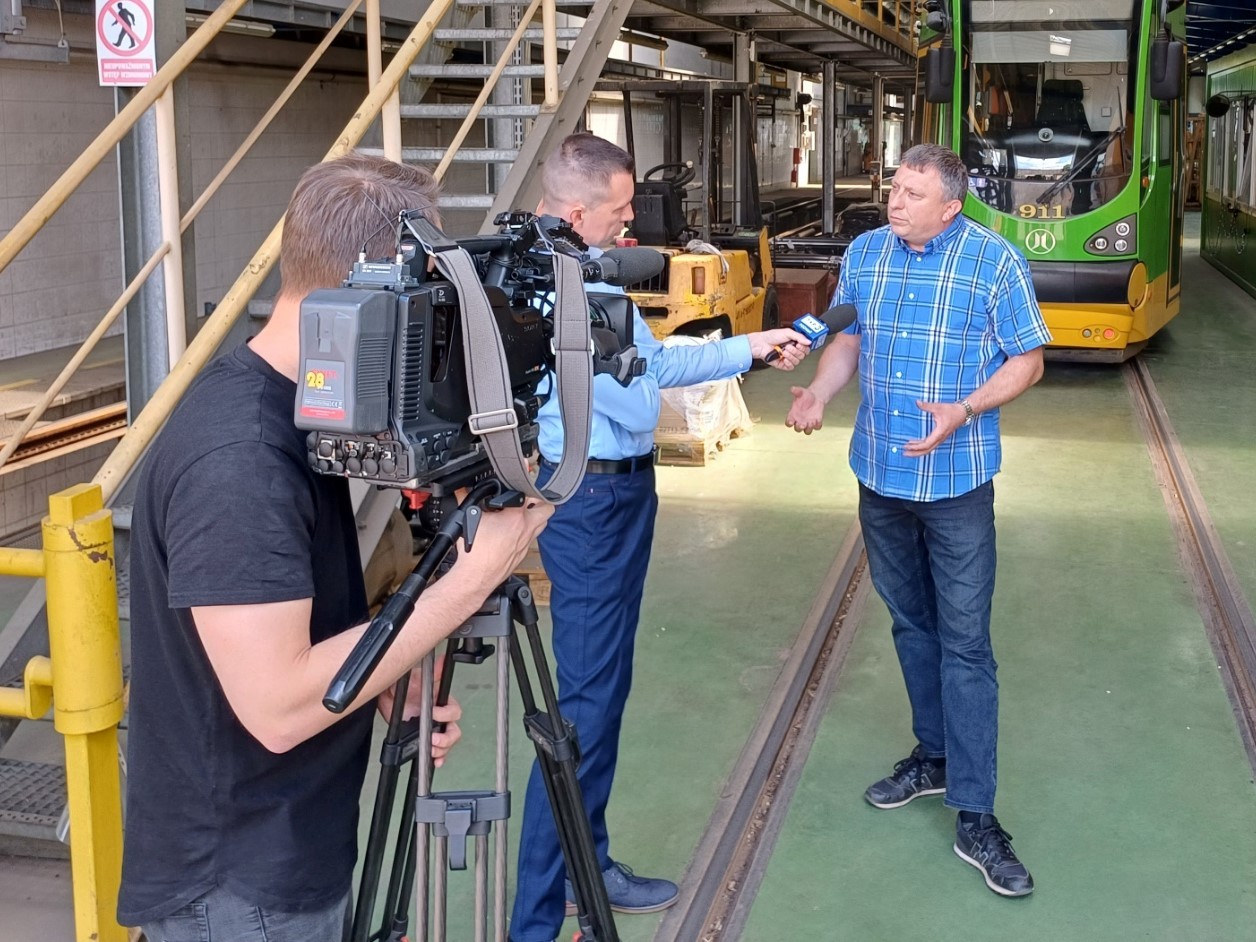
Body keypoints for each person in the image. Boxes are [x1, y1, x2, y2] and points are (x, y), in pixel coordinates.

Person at [118, 154, 554, 941]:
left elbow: (292, 638)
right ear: (376, 292)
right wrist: (468, 580)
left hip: (279, 853)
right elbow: (279, 707)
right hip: (240, 888)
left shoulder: (288, 407)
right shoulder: (241, 461)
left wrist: (379, 674)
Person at [509, 133, 811, 942]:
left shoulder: (584, 274)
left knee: (603, 697)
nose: (631, 223)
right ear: (576, 211)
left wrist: (750, 347)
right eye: (619, 210)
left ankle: (589, 863)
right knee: (580, 710)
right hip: (590, 505)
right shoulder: (551, 289)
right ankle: (539, 912)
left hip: (621, 495)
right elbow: (635, 390)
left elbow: (649, 367)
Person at [785, 143, 1051, 898]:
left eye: (911, 193)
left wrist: (964, 408)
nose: (894, 202)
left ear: (950, 207)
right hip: (880, 476)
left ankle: (976, 814)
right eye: (894, 188)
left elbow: (1028, 360)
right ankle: (933, 756)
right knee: (910, 624)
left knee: (965, 644)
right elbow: (849, 337)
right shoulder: (868, 252)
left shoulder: (993, 262)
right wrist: (819, 394)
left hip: (957, 483)